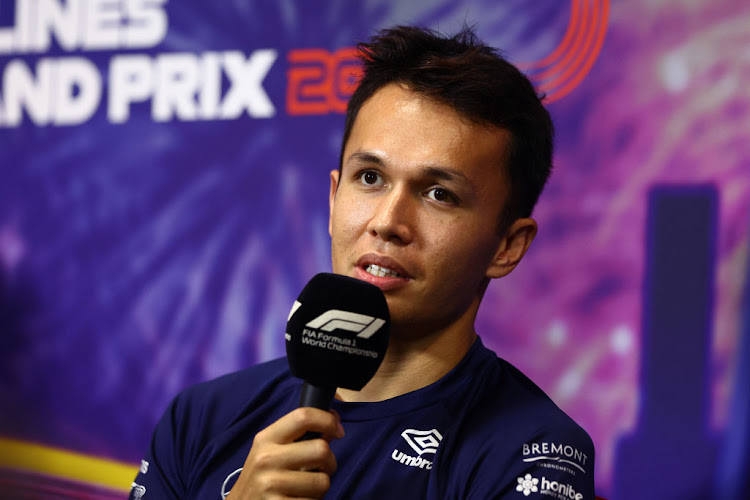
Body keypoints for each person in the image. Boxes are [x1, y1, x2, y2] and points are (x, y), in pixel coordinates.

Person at [129, 25, 595, 499]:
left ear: (508, 246)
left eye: (439, 194)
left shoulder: (532, 453)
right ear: (333, 199)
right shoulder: (202, 418)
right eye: (370, 177)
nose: (387, 221)